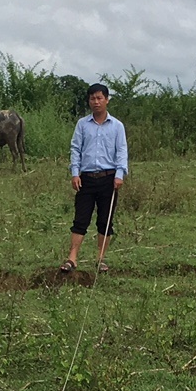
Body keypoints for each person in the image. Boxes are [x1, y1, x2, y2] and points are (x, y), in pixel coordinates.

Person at [60, 82, 127, 274]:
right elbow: (75, 149)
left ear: (106, 100)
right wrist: (75, 173)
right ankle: (72, 258)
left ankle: (100, 259)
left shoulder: (117, 126)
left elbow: (122, 151)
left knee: (105, 221)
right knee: (81, 219)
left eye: (99, 98)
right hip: (86, 178)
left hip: (109, 178)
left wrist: (120, 174)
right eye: (92, 98)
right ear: (89, 101)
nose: (96, 102)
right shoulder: (82, 124)